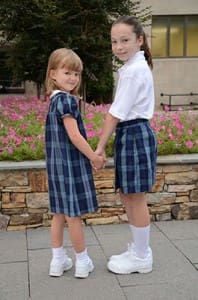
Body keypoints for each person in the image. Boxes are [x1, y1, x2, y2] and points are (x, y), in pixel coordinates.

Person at [95, 15, 157, 275]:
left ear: (139, 40)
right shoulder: (132, 67)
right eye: (114, 41)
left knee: (135, 196)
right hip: (131, 134)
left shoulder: (133, 71)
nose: (118, 47)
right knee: (128, 195)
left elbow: (114, 114)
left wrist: (99, 148)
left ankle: (142, 256)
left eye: (125, 40)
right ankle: (139, 250)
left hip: (133, 134)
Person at [45, 48, 104, 279]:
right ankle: (82, 261)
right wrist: (94, 156)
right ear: (53, 74)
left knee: (58, 214)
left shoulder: (53, 102)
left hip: (56, 167)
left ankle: (57, 261)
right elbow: (74, 135)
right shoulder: (68, 102)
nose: (72, 78)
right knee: (73, 216)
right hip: (70, 167)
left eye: (77, 74)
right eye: (67, 72)